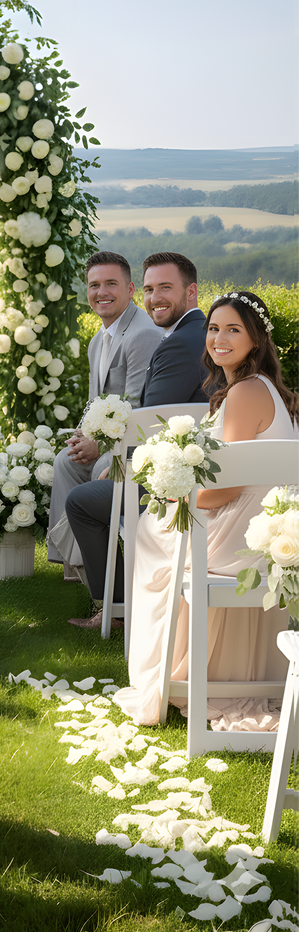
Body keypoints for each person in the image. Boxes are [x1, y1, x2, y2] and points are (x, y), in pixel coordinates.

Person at [114, 290, 298, 728]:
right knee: (157, 524)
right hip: (260, 531)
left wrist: (173, 497)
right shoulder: (266, 389)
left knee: (149, 532)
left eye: (233, 329)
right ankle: (193, 668)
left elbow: (222, 491)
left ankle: (169, 673)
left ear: (256, 339)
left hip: (241, 536)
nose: (219, 338)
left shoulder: (245, 393)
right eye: (214, 329)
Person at [65, 252, 209, 626]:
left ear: (191, 292)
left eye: (166, 288)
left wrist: (122, 469)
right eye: (149, 289)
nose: (155, 298)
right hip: (188, 469)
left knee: (82, 501)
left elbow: (152, 423)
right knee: (76, 472)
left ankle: (114, 606)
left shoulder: (179, 343)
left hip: (173, 483)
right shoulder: (196, 332)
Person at [46, 251, 163, 571]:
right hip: (108, 439)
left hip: (137, 448)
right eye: (94, 285)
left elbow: (141, 407)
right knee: (66, 460)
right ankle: (77, 564)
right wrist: (82, 438)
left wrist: (100, 445)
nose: (101, 292)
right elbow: (95, 403)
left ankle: (102, 579)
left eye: (111, 283)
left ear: (130, 289)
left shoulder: (143, 334)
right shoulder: (98, 340)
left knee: (98, 463)